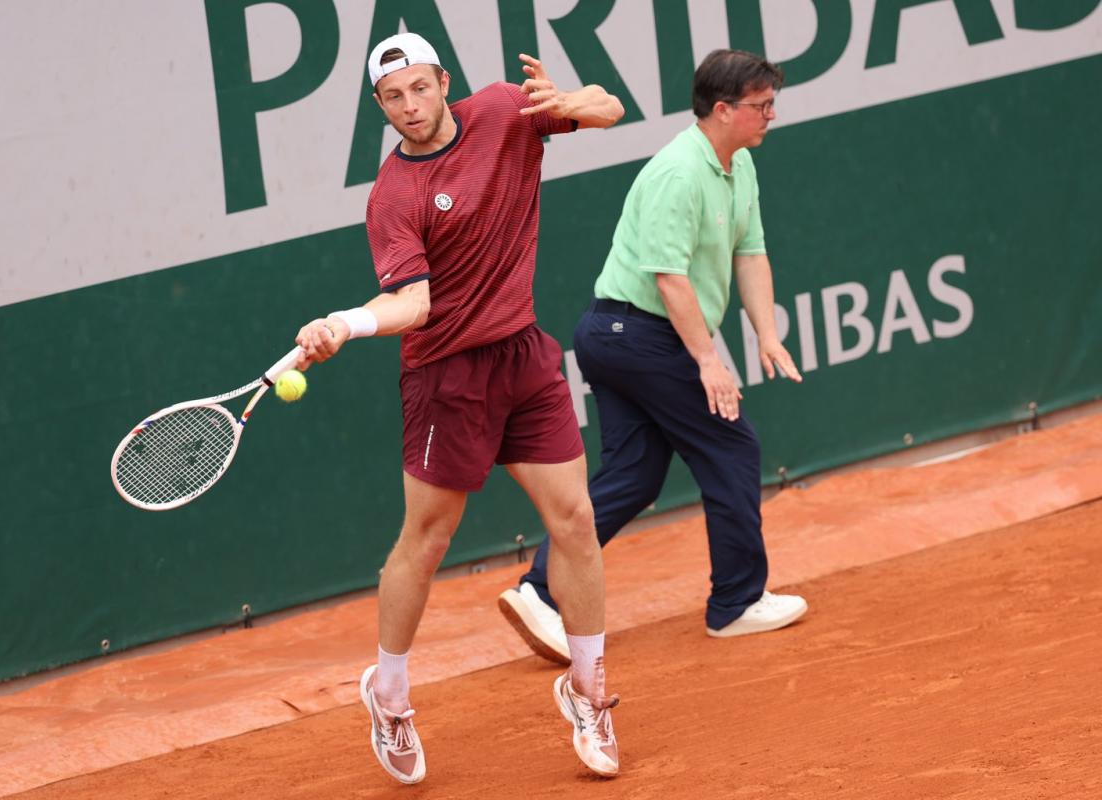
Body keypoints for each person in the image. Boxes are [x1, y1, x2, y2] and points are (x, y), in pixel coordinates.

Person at [291, 33, 625, 784]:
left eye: (420, 87)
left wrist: (577, 105)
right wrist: (348, 322)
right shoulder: (393, 198)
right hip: (447, 377)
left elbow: (608, 109)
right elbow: (414, 303)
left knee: (574, 520)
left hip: (524, 356)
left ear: (444, 81)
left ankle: (589, 688)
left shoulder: (508, 110)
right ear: (380, 106)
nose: (411, 106)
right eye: (394, 97)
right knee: (428, 541)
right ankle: (391, 694)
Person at [499, 49, 808, 665]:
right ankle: (736, 603)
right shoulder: (678, 172)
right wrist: (709, 360)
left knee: (635, 474)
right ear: (723, 111)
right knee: (731, 446)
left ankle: (539, 591)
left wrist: (766, 334)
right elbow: (669, 277)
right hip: (636, 334)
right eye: (761, 106)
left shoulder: (738, 165)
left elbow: (751, 253)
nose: (771, 115)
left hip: (622, 337)